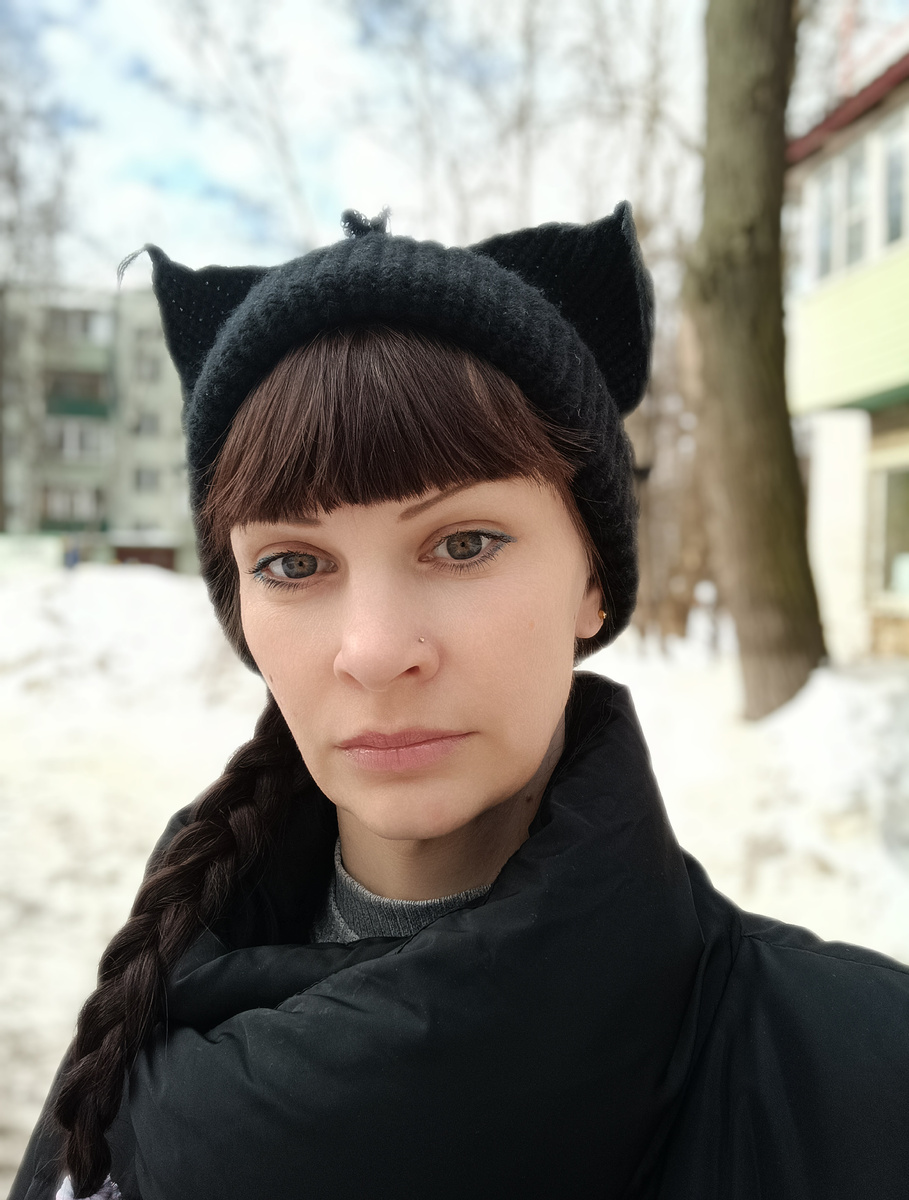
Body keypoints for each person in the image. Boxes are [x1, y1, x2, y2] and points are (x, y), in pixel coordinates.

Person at [11, 205, 909, 1200]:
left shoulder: (866, 1082)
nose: (375, 651)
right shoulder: (133, 1034)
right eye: (294, 563)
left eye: (463, 543)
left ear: (594, 581)